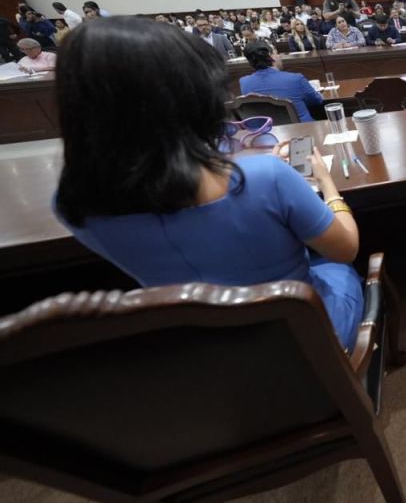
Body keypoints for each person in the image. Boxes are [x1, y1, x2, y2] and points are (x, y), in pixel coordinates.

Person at [54, 18, 362, 351]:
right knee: (338, 268)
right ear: (192, 95)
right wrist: (326, 183)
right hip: (307, 343)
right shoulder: (266, 176)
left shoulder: (72, 204)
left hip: (197, 352)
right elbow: (345, 249)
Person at [240, 40, 324, 122]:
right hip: (303, 128)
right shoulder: (295, 79)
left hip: (267, 129)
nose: (279, 56)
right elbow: (316, 101)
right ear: (271, 56)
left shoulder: (244, 83)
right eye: (277, 53)